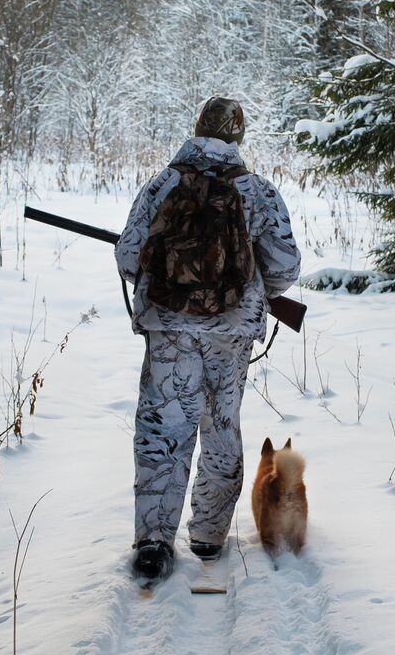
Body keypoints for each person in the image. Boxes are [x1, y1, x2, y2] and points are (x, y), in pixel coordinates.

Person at [114, 96, 302, 582]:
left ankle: (154, 544)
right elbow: (285, 266)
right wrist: (252, 291)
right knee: (220, 426)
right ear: (237, 138)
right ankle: (209, 537)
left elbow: (128, 256)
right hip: (231, 334)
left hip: (169, 332)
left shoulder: (161, 185)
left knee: (162, 431)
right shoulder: (257, 191)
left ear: (196, 128)